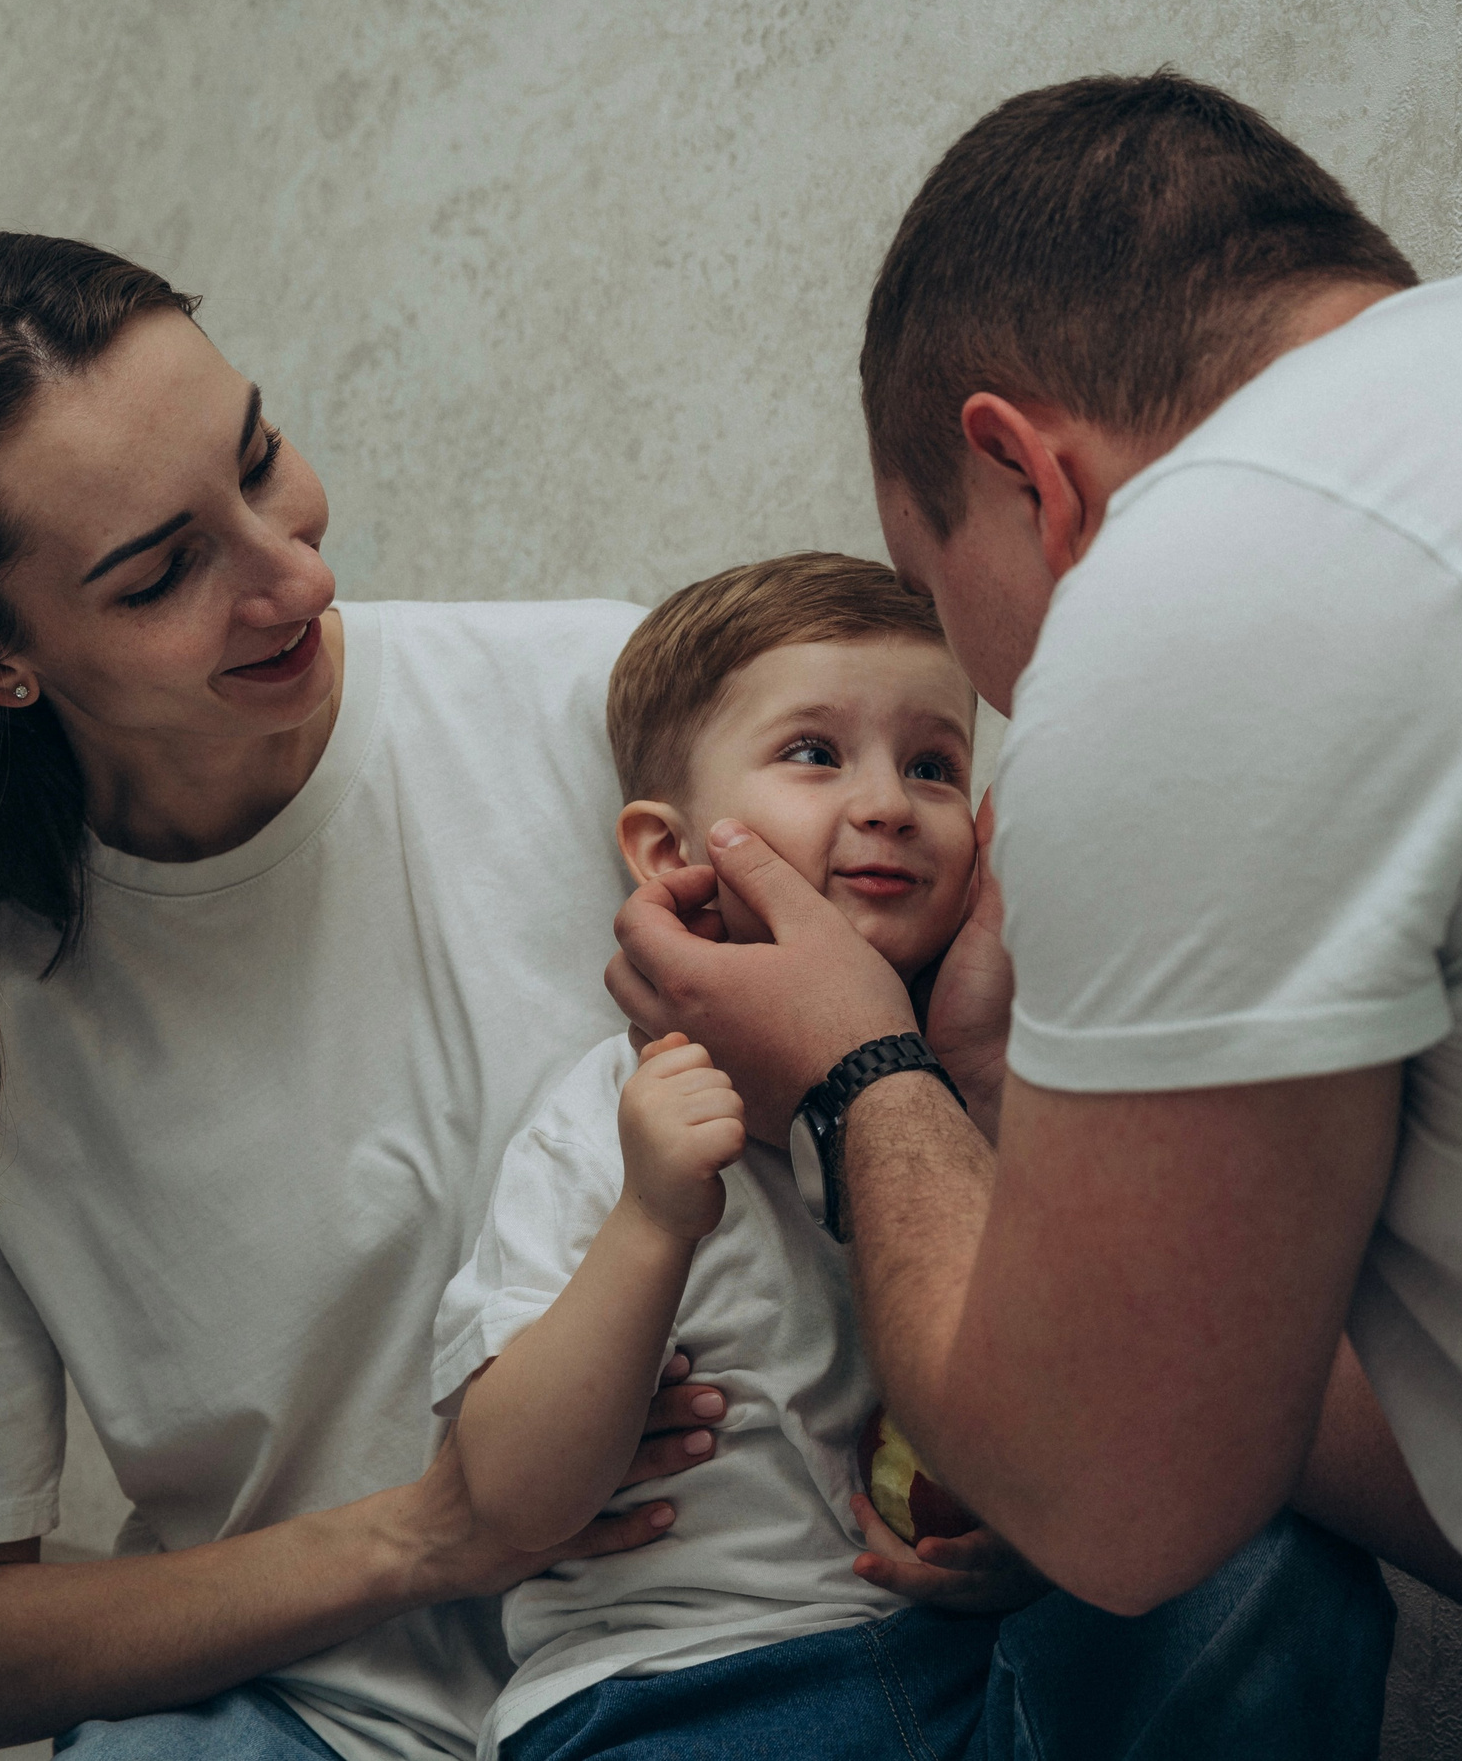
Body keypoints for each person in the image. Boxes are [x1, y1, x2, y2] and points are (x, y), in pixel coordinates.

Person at [606, 73, 1462, 1761]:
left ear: (1024, 473)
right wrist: (1007, 1084)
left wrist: (862, 1065)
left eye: (956, 615)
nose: (1025, 705)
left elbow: (1109, 1502)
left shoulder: (1211, 575)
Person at [0, 232, 733, 1761]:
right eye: (164, 569)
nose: (294, 568)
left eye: (260, 457)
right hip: (318, 1711)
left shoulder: (611, 710)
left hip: (724, 1645)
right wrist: (435, 1531)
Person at [434, 552, 1397, 1761]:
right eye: (814, 753)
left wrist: (1037, 1525)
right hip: (687, 1694)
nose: (888, 800)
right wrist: (649, 1221)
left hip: (976, 1671)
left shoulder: (1005, 1099)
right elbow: (511, 1499)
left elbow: (1119, 1392)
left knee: (1270, 1557)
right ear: (664, 849)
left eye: (933, 764)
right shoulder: (606, 1121)